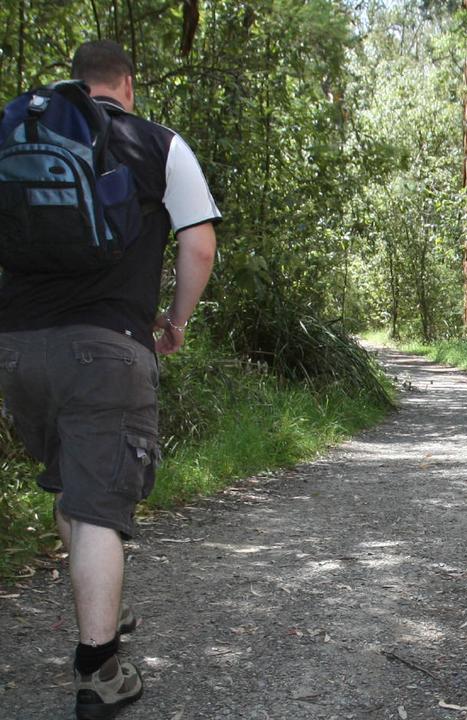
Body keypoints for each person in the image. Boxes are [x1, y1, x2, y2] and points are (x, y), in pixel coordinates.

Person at [0, 40, 219, 719]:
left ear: (77, 81)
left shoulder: (21, 135)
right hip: (109, 346)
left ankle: (106, 608)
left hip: (17, 347)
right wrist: (175, 322)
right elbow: (199, 242)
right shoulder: (157, 143)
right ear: (128, 82)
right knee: (96, 504)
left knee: (72, 485)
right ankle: (98, 671)